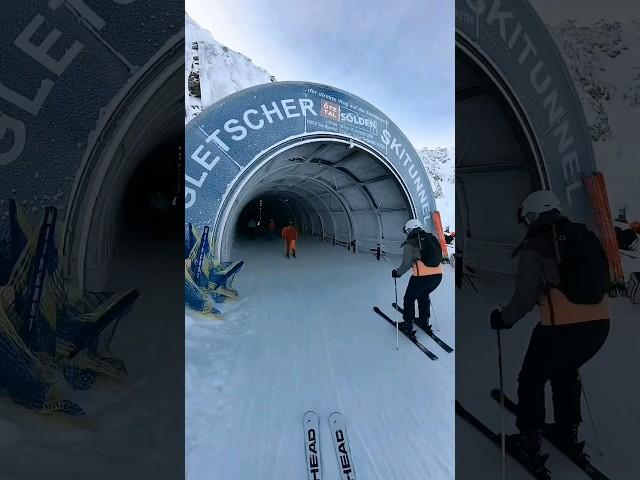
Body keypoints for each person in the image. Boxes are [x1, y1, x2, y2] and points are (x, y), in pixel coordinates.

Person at [489, 190, 610, 465]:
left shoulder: (537, 243)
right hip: (600, 327)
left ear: (531, 215)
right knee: (565, 372)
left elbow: (525, 295)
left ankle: (529, 441)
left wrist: (503, 319)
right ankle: (567, 431)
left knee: (531, 379)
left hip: (561, 329)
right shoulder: (582, 234)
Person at [391, 219, 443, 340]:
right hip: (438, 277)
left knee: (409, 299)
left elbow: (406, 263)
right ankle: (424, 321)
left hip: (422, 277)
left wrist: (397, 273)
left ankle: (408, 325)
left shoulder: (411, 241)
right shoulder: (431, 238)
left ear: (409, 229)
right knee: (423, 295)